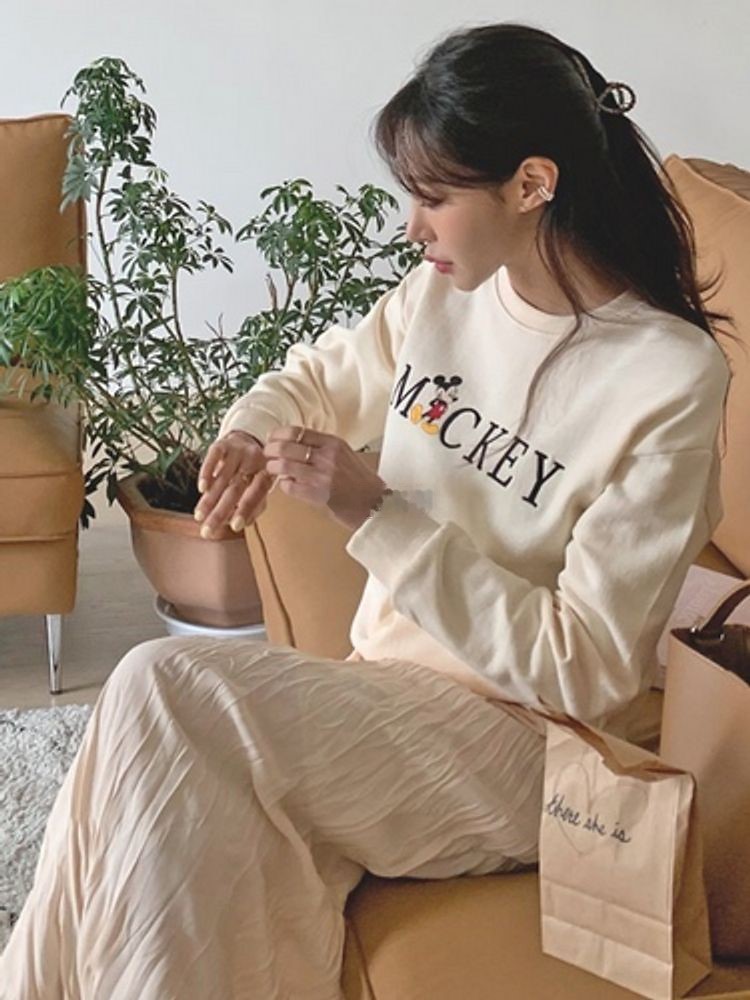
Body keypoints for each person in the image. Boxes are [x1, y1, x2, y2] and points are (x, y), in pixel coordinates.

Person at [0, 21, 731, 1000]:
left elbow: (585, 667)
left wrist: (378, 514)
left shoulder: (668, 379)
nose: (411, 227)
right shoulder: (447, 294)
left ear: (531, 184)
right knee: (150, 720)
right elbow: (322, 376)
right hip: (385, 686)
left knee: (167, 690)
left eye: (434, 197)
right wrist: (249, 431)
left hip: (533, 740)